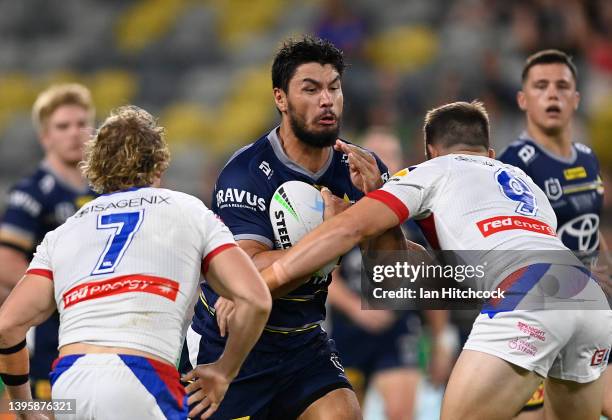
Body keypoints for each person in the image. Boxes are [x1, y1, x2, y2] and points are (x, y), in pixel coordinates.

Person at [259, 101, 612, 420]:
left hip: (526, 293)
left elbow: (349, 231)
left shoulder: (431, 171)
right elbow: (426, 273)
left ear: (430, 152)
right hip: (585, 295)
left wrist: (266, 281)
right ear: (489, 152)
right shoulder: (525, 186)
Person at [0, 106, 272, 419]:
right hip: (142, 376)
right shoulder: (188, 210)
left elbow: (7, 327)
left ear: (96, 167)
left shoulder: (63, 232)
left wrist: (26, 409)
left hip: (69, 382)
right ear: (159, 164)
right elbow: (256, 299)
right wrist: (224, 371)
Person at [180, 36, 395, 420]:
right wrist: (336, 235)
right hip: (233, 346)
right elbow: (245, 275)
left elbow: (392, 276)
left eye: (334, 88)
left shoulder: (362, 170)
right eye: (310, 89)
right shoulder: (246, 172)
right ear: (280, 98)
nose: (326, 100)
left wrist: (379, 205)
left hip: (303, 343)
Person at [498, 49, 609, 417]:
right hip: (538, 314)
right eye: (541, 86)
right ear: (523, 99)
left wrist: (605, 271)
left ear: (576, 98)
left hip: (591, 311)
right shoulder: (513, 165)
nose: (553, 95)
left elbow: (591, 226)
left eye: (562, 86)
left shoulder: (586, 157)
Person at [327, 128, 451, 420]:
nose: (380, 163)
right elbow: (325, 277)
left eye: (388, 157)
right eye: (373, 156)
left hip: (398, 329)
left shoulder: (414, 220)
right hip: (349, 329)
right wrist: (358, 312)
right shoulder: (344, 214)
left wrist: (440, 341)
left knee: (400, 413)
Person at [0, 83, 97, 399]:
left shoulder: (105, 191)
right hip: (51, 338)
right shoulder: (32, 193)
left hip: (99, 332)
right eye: (63, 126)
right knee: (56, 410)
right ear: (46, 137)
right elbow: (6, 262)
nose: (74, 133)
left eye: (82, 124)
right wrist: (66, 291)